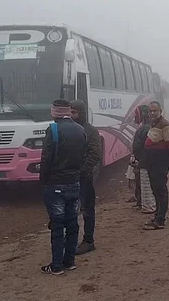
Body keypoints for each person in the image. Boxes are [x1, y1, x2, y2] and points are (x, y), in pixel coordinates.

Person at [39, 99, 87, 275]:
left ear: (55, 112)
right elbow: (83, 155)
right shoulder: (80, 130)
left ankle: (57, 265)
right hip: (74, 183)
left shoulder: (52, 130)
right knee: (72, 223)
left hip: (55, 185)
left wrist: (43, 181)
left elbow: (46, 159)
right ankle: (70, 261)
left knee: (57, 226)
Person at [69, 100, 102, 256]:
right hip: (70, 177)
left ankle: (88, 241)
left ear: (81, 113)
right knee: (71, 210)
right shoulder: (69, 130)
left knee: (87, 209)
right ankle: (71, 241)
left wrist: (82, 171)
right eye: (69, 112)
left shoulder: (90, 131)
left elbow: (95, 154)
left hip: (84, 177)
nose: (71, 115)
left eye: (74, 112)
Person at [143, 101, 169, 230]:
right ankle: (157, 215)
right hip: (152, 161)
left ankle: (160, 220)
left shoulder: (165, 125)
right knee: (155, 190)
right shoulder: (153, 124)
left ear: (160, 111)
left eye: (155, 111)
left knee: (160, 190)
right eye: (150, 111)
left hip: (160, 162)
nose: (152, 113)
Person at [132, 105, 156, 214]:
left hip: (143, 161)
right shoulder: (154, 126)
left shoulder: (143, 129)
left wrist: (137, 159)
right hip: (152, 161)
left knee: (144, 184)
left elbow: (137, 147)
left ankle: (147, 206)